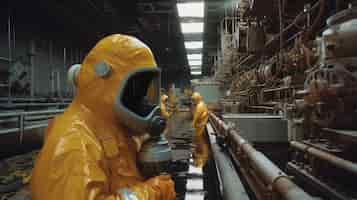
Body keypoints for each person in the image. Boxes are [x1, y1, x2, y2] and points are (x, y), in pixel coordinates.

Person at [31, 34, 176, 200]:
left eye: (144, 87)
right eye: (137, 87)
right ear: (105, 80)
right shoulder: (72, 141)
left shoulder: (119, 129)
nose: (141, 96)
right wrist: (154, 192)